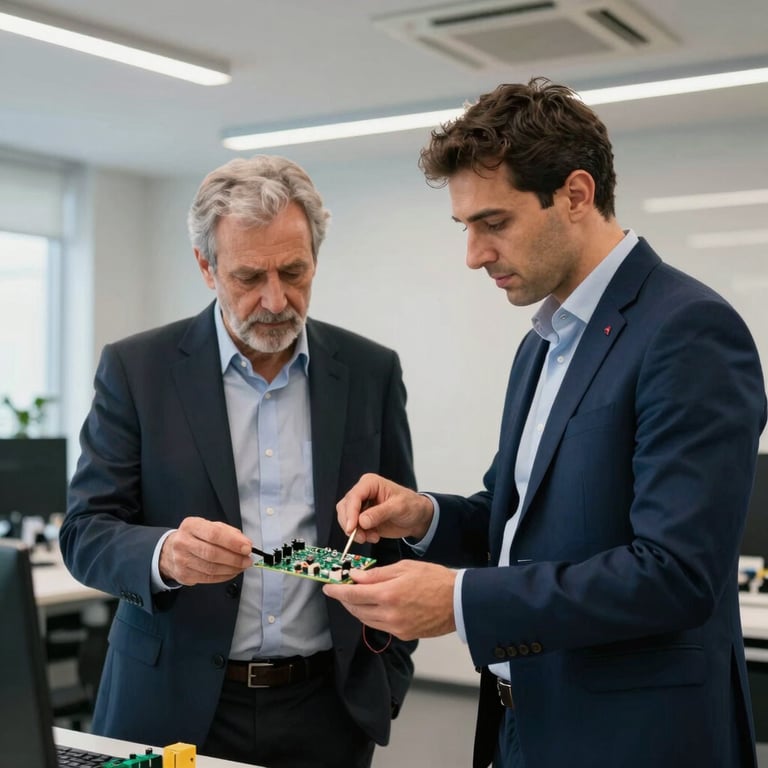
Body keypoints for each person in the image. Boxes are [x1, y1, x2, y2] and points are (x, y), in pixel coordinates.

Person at [323, 78, 768, 768]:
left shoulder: (688, 331)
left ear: (576, 194)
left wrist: (463, 602)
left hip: (633, 740)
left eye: (493, 223)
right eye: (465, 227)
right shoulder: (544, 342)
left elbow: (675, 574)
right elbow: (518, 524)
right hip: (522, 723)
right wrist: (426, 518)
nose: (473, 254)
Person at [60, 155, 417, 768]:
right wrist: (164, 555)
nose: (275, 299)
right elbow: (85, 532)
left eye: (294, 271)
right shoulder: (137, 370)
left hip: (327, 707)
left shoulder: (369, 371)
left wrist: (389, 675)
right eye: (250, 276)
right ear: (206, 266)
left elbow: (398, 535)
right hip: (170, 706)